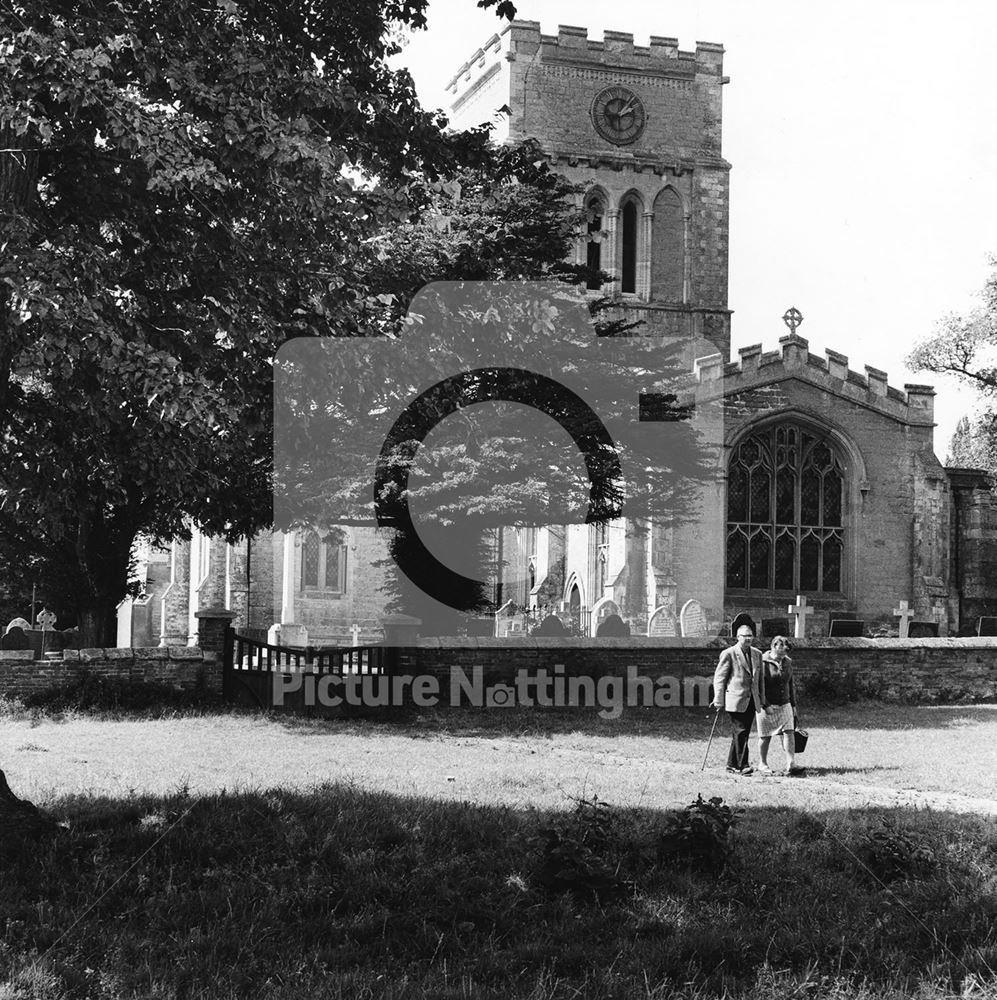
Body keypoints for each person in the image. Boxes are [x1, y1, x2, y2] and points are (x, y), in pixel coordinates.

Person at [712, 625, 764, 775]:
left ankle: (730, 764)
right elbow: (720, 678)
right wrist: (718, 699)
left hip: (752, 700)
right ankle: (743, 765)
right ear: (737, 637)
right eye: (744, 636)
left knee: (742, 732)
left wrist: (762, 698)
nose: (748, 638)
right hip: (735, 699)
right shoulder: (728, 653)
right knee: (740, 730)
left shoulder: (757, 654)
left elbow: (760, 680)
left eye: (750, 635)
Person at [756, 636, 803, 776]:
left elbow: (790, 683)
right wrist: (765, 704)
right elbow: (758, 686)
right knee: (765, 736)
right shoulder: (762, 662)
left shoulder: (787, 662)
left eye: (786, 651)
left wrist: (793, 704)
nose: (784, 653)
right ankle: (762, 763)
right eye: (781, 649)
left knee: (789, 732)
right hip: (767, 705)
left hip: (785, 703)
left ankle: (791, 763)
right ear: (773, 646)